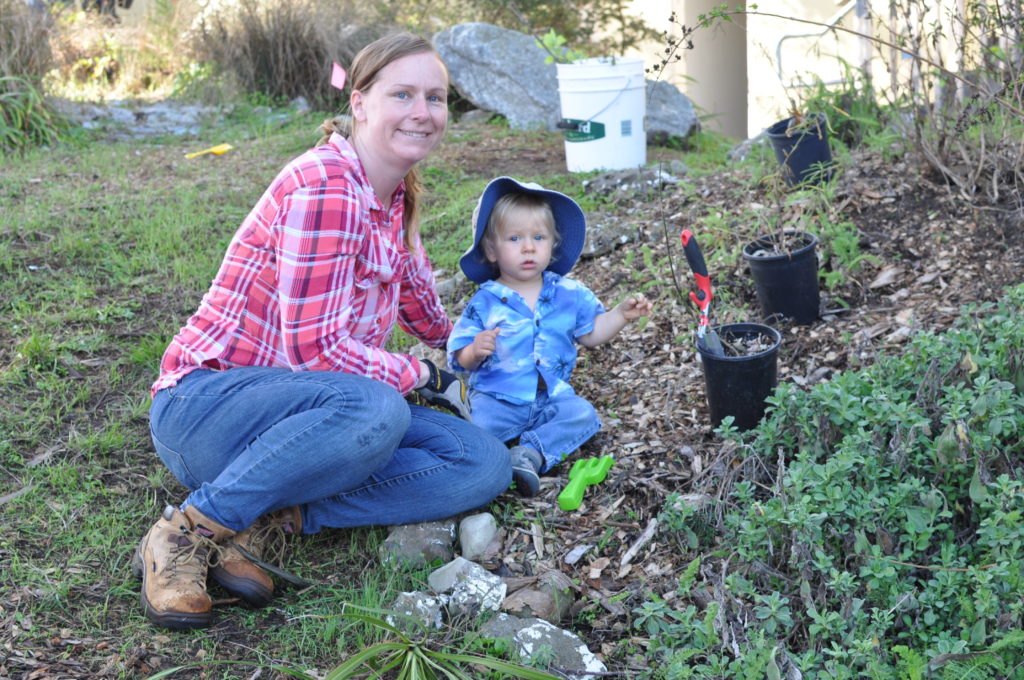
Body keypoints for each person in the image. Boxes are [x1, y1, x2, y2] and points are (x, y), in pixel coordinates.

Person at [135, 32, 511, 630]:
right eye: (403, 94)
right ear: (359, 101)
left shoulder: (394, 194)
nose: (424, 112)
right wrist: (423, 371)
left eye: (436, 98)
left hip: (309, 417)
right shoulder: (327, 186)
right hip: (207, 411)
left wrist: (488, 322)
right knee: (379, 407)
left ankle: (271, 516)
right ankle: (187, 533)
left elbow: (421, 308)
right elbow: (313, 353)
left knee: (480, 461)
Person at [447, 177, 652, 497]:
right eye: (515, 238)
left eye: (538, 237)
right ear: (491, 249)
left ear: (552, 243)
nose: (528, 247)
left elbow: (591, 334)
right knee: (476, 432)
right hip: (497, 399)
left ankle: (530, 454)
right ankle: (483, 464)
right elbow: (460, 355)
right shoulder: (485, 301)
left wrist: (620, 315)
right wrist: (474, 350)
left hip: (550, 398)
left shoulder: (569, 294)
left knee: (582, 415)